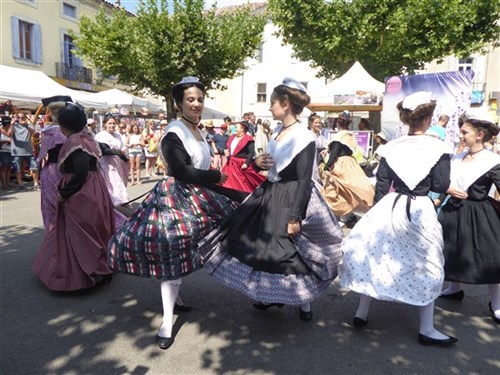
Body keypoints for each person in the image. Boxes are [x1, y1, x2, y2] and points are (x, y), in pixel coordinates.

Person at [108, 77, 244, 350]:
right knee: (171, 253)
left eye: (200, 99)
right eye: (190, 100)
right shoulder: (174, 132)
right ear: (179, 103)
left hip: (199, 195)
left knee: (235, 218)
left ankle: (178, 301)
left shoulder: (197, 130)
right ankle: (167, 321)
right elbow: (181, 170)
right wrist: (216, 175)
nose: (196, 104)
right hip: (176, 197)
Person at [198, 77, 344, 322]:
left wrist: (295, 216)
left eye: (273, 102)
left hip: (290, 197)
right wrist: (257, 162)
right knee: (265, 248)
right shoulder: (280, 131)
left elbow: (304, 180)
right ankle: (268, 294)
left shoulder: (304, 136)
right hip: (270, 193)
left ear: (285, 104)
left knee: (291, 250)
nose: (269, 107)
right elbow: (272, 163)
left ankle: (304, 301)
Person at [338, 91, 457, 347]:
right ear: (428, 117)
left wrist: (381, 212)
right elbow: (441, 183)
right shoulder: (438, 147)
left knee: (377, 252)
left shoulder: (392, 146)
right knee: (427, 262)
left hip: (390, 206)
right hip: (420, 206)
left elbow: (382, 184)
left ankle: (362, 312)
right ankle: (426, 328)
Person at [32, 101, 115, 291]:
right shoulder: (87, 137)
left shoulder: (75, 141)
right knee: (95, 230)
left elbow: (80, 172)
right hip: (94, 188)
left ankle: (92, 273)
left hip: (82, 192)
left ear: (63, 126)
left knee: (81, 234)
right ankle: (102, 268)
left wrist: (64, 193)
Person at [438, 117, 500, 325]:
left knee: (488, 254)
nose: (461, 136)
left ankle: (497, 302)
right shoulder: (458, 157)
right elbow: (444, 181)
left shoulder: (491, 161)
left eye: (465, 132)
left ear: (480, 135)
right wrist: (447, 189)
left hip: (479, 212)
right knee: (452, 249)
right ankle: (455, 288)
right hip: (454, 208)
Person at [320, 112, 374, 226]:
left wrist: (327, 166)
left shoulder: (339, 135)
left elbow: (336, 150)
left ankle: (341, 216)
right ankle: (346, 216)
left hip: (341, 163)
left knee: (335, 189)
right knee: (347, 190)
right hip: (351, 163)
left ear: (337, 123)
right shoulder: (350, 135)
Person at [37, 96, 70, 230]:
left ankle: (55, 233)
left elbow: (41, 156)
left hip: (53, 170)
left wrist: (39, 172)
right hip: (69, 170)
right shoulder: (72, 130)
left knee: (52, 204)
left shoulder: (49, 132)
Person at [220, 121, 266, 193]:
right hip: (230, 164)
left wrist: (246, 163)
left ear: (242, 129)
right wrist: (225, 151)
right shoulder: (233, 137)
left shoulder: (248, 139)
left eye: (236, 127)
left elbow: (251, 152)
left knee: (241, 182)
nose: (235, 129)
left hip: (240, 164)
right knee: (226, 181)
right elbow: (229, 148)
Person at [95, 114, 129, 206]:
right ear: (105, 124)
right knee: (112, 184)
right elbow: (104, 150)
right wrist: (117, 152)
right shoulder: (101, 136)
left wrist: (125, 159)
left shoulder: (118, 135)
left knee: (119, 183)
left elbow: (121, 149)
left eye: (114, 123)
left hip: (117, 163)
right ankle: (114, 204)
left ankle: (119, 205)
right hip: (106, 164)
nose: (112, 126)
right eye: (109, 123)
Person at [10, 112, 39, 190]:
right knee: (18, 169)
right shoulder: (13, 125)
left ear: (25, 118)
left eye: (22, 117)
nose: (20, 119)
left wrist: (26, 125)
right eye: (18, 118)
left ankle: (36, 183)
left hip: (28, 151)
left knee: (34, 167)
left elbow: (33, 132)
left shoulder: (28, 125)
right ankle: (20, 184)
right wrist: (12, 124)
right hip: (16, 151)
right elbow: (9, 134)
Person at [0, 116, 13, 189]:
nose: (7, 124)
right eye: (6, 123)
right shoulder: (1, 129)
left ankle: (8, 183)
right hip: (2, 150)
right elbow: (7, 135)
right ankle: (4, 184)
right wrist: (6, 141)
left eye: (8, 123)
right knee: (3, 168)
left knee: (8, 168)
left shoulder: (11, 128)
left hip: (10, 150)